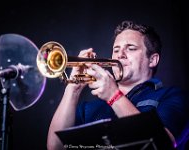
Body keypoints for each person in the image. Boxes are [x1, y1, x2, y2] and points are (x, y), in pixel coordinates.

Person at [47, 20, 188, 150]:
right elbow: (55, 147)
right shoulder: (88, 108)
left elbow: (162, 145)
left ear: (152, 60)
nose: (120, 55)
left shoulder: (173, 97)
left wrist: (114, 95)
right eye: (116, 50)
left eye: (130, 48)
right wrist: (73, 89)